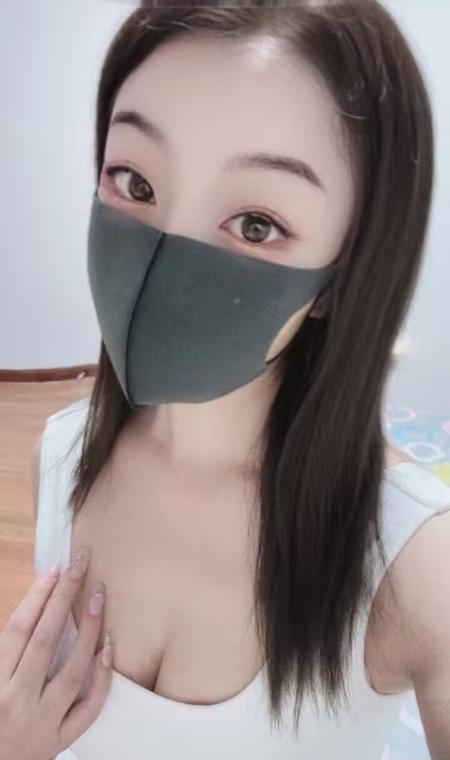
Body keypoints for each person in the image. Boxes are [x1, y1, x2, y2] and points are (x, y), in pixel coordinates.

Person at [2, 2, 450, 759]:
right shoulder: (61, 455)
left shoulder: (419, 569)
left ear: (344, 273)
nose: (164, 255)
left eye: (256, 224)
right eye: (135, 181)